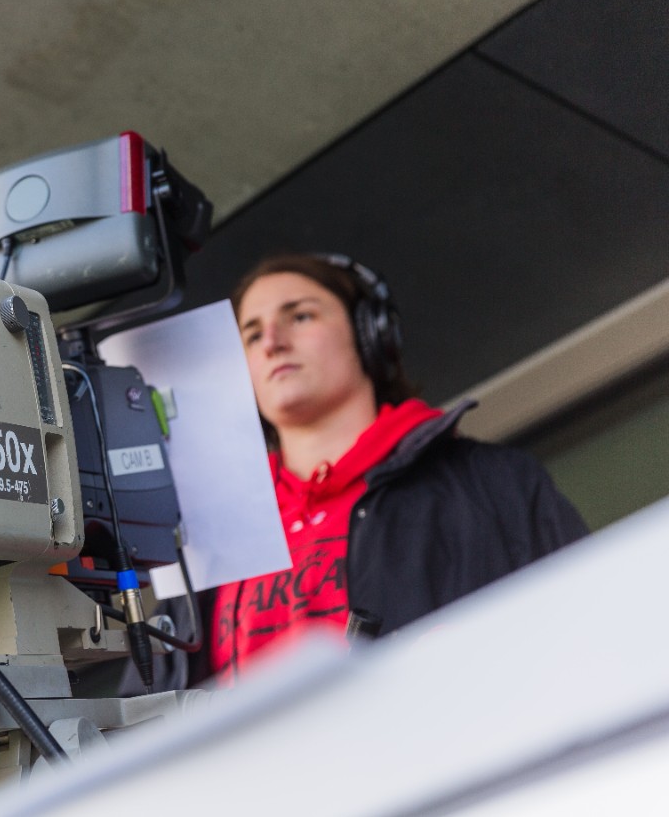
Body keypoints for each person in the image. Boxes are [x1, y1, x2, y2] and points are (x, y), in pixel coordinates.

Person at [209, 253, 588, 681]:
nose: (272, 342)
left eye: (299, 316)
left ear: (371, 335)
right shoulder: (209, 540)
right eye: (252, 335)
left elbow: (587, 636)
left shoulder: (494, 484)